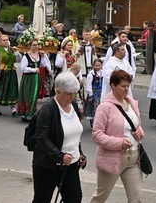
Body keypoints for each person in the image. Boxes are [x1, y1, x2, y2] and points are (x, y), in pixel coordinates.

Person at [89, 69, 146, 203]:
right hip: (112, 159)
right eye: (123, 86)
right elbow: (97, 135)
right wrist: (119, 143)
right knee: (100, 196)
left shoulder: (131, 103)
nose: (126, 89)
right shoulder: (105, 107)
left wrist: (140, 132)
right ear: (113, 86)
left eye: (128, 86)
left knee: (136, 198)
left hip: (134, 159)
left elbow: (137, 125)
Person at [31, 71, 87, 203]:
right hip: (48, 165)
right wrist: (60, 156)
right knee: (42, 200)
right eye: (68, 94)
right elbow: (42, 138)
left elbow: (74, 133)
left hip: (71, 164)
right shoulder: (48, 109)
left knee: (74, 198)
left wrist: (80, 154)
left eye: (73, 93)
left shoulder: (73, 106)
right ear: (58, 91)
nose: (72, 97)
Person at [16, 39, 52, 121]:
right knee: (27, 95)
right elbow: (23, 68)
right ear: (30, 46)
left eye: (37, 45)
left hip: (37, 78)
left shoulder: (39, 55)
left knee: (34, 95)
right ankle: (25, 114)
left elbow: (44, 64)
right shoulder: (27, 56)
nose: (36, 47)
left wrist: (44, 57)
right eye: (34, 45)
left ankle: (31, 113)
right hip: (28, 78)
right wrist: (34, 70)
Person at [85, 58, 104, 126]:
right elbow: (89, 84)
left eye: (99, 65)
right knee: (94, 106)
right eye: (96, 65)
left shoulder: (103, 73)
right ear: (93, 66)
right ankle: (93, 121)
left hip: (101, 92)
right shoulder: (91, 73)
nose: (97, 67)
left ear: (101, 65)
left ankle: (100, 121)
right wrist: (90, 94)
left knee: (101, 107)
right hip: (94, 92)